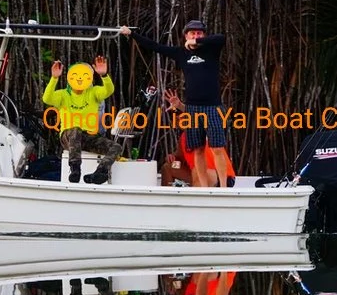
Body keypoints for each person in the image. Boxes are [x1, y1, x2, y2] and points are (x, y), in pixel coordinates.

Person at [120, 20, 229, 188]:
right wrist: (132, 34)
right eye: (192, 33)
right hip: (192, 107)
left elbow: (221, 38)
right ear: (185, 35)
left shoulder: (210, 50)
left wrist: (197, 42)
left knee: (217, 147)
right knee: (197, 149)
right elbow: (155, 47)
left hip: (212, 106)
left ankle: (223, 187)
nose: (195, 35)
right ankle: (204, 188)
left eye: (199, 33)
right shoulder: (181, 53)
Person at [42, 56, 122, 184]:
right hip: (68, 137)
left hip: (89, 137)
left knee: (116, 147)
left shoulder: (94, 93)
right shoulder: (63, 94)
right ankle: (75, 168)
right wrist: (54, 78)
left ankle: (100, 172)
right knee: (75, 131)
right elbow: (47, 98)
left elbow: (109, 90)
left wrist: (104, 75)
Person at [161, 90, 236, 187]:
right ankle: (168, 197)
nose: (182, 121)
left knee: (198, 170)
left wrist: (180, 105)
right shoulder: (184, 138)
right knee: (168, 167)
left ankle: (204, 194)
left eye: (184, 118)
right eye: (179, 119)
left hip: (221, 175)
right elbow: (179, 157)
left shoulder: (206, 129)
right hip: (196, 172)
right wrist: (172, 157)